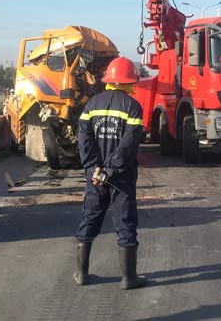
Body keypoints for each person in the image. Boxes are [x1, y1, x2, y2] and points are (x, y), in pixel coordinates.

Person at [73, 57, 146, 290]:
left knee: (90, 218)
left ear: (109, 80)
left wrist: (94, 168)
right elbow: (128, 145)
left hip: (95, 176)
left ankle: (81, 275)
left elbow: (84, 139)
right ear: (129, 81)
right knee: (125, 223)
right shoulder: (133, 106)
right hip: (120, 177)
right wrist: (111, 170)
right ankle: (128, 279)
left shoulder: (91, 104)